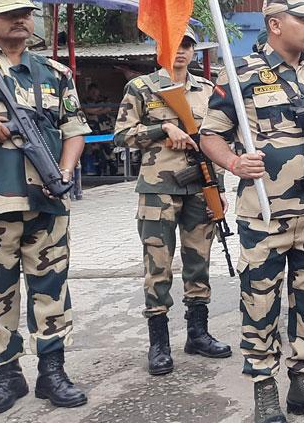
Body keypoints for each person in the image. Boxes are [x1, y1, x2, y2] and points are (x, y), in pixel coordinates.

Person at [200, 0, 304, 423]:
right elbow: (209, 134)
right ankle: (264, 389)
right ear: (274, 24)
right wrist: (234, 162)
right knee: (260, 304)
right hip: (265, 214)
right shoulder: (242, 73)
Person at [0, 0, 90, 417]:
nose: (20, 20)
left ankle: (52, 372)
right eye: (9, 14)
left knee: (51, 289)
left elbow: (75, 128)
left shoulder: (54, 73)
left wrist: (64, 169)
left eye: (25, 14)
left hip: (46, 202)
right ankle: (7, 377)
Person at [113, 27, 232, 376]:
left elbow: (216, 140)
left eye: (187, 45)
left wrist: (218, 186)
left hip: (199, 186)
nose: (180, 51)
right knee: (158, 265)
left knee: (199, 262)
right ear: (159, 47)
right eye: (172, 44)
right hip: (157, 189)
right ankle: (159, 343)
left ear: (195, 51)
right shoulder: (141, 87)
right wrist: (162, 130)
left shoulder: (208, 90)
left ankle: (198, 333)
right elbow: (121, 135)